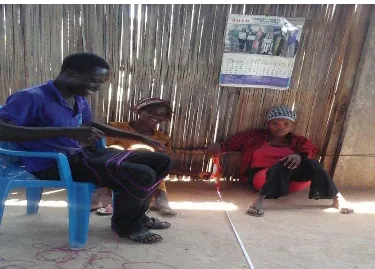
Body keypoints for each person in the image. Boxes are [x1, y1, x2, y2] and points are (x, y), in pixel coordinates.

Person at [0, 52, 173, 243]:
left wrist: (140, 137)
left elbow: (91, 125)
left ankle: (137, 217)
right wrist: (67, 132)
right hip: (50, 164)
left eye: (100, 82)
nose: (97, 87)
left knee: (161, 161)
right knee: (140, 174)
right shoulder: (30, 97)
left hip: (79, 155)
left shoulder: (77, 98)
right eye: (93, 81)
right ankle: (127, 226)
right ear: (69, 73)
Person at [207, 105, 354, 217]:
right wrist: (218, 145)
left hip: (290, 182)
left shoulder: (298, 141)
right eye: (275, 123)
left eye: (286, 124)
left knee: (312, 163)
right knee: (283, 163)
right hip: (261, 179)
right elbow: (231, 144)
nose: (280, 127)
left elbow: (310, 150)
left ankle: (337, 198)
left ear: (292, 126)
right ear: (268, 124)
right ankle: (259, 200)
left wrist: (299, 156)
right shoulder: (254, 137)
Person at [93, 97, 176, 218]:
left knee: (154, 163)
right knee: (116, 151)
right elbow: (102, 150)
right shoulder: (116, 128)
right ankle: (94, 198)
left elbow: (164, 162)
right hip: (113, 171)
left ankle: (161, 199)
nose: (156, 116)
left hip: (141, 177)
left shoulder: (162, 138)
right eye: (150, 112)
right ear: (139, 111)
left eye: (161, 115)